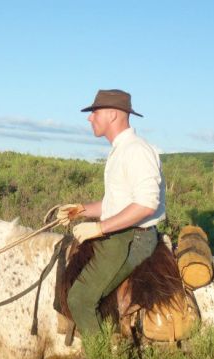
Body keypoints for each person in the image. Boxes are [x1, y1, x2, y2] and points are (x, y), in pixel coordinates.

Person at [57, 89, 166, 336]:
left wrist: (100, 227)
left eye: (94, 112)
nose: (89, 118)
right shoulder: (121, 149)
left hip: (133, 239)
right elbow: (115, 204)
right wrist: (81, 210)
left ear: (113, 115)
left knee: (81, 300)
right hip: (121, 234)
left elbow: (146, 205)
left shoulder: (136, 150)